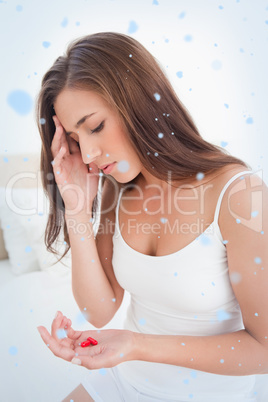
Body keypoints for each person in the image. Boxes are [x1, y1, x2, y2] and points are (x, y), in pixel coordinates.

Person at [36, 32, 268, 402]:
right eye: (77, 140)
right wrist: (77, 209)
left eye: (95, 126)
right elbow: (99, 311)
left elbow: (264, 350)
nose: (90, 154)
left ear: (139, 102)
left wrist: (137, 345)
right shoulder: (118, 189)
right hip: (123, 380)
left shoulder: (239, 196)